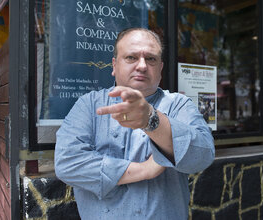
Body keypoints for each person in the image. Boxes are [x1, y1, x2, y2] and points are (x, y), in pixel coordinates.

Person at [55, 27, 215, 220]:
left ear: (161, 68)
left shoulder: (178, 105)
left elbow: (203, 155)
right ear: (114, 65)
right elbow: (67, 163)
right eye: (131, 57)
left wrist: (152, 119)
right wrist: (144, 170)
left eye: (151, 59)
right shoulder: (89, 105)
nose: (142, 65)